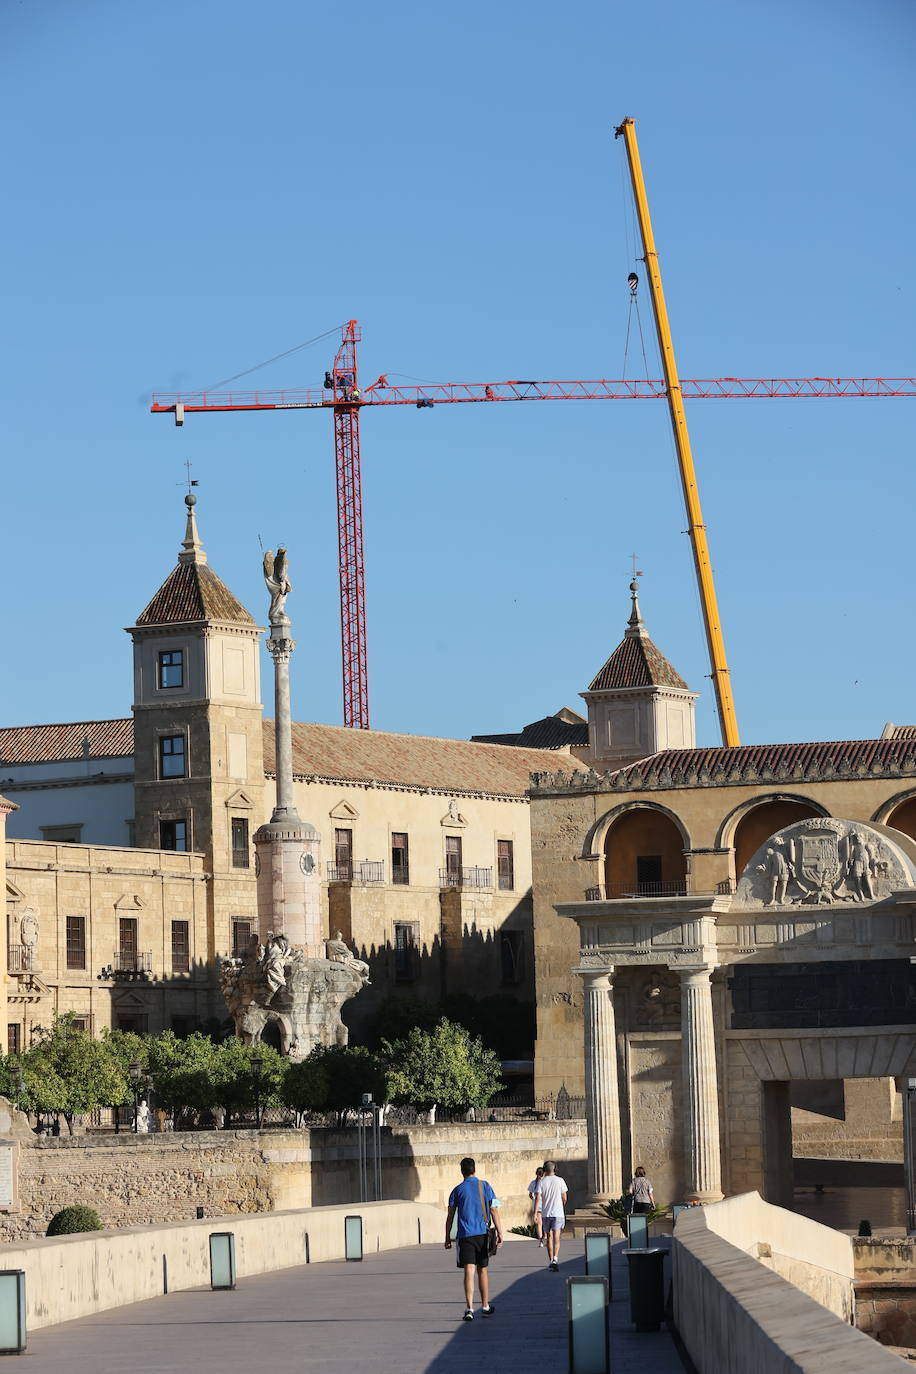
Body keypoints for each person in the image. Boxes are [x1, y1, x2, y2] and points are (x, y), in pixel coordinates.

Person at [445, 1156, 504, 1322]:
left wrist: (447, 1237)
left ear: (461, 1171)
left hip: (465, 1234)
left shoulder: (457, 1190)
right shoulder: (484, 1186)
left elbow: (450, 1216)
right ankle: (485, 1305)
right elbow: (494, 1210)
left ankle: (469, 1308)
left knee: (468, 1271)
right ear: (474, 1169)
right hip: (482, 1234)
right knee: (482, 1270)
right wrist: (500, 1232)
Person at [533, 1160, 568, 1272]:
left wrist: (535, 1213)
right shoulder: (560, 1180)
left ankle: (551, 1260)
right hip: (557, 1212)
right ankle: (555, 1259)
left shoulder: (541, 1182)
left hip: (546, 1213)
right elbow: (564, 1197)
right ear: (555, 1169)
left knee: (549, 1237)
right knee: (556, 1235)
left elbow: (537, 1197)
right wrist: (561, 1205)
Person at [527, 1165, 545, 1245]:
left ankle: (541, 1239)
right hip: (545, 1204)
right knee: (545, 1222)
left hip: (537, 1205)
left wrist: (533, 1199)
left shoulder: (533, 1183)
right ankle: (547, 1238)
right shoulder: (544, 1182)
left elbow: (530, 1194)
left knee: (539, 1223)